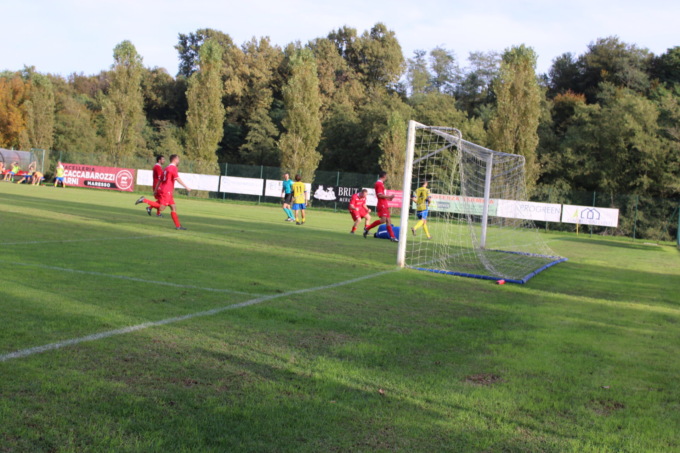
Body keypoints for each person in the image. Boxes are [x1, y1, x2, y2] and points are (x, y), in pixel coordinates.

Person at [136, 154, 191, 230]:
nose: (179, 161)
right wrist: (186, 187)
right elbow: (177, 178)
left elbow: (160, 180)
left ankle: (178, 226)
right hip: (166, 191)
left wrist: (156, 190)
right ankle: (144, 200)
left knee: (173, 207)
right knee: (161, 208)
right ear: (175, 160)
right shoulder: (173, 168)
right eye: (178, 159)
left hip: (166, 190)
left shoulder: (166, 168)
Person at [363, 171, 397, 242]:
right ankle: (367, 228)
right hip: (382, 204)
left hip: (384, 203)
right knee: (383, 220)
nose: (387, 177)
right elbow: (379, 195)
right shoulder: (379, 184)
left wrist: (389, 198)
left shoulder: (381, 184)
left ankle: (392, 237)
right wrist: (389, 196)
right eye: (386, 176)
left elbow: (382, 196)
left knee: (388, 221)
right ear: (384, 176)